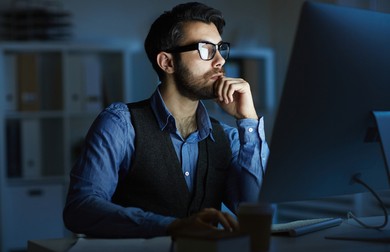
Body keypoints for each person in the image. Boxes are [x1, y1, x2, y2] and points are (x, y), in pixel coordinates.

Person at [63, 1, 269, 238]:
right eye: (206, 49)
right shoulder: (120, 124)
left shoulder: (229, 137)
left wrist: (248, 120)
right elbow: (80, 209)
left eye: (220, 48)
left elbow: (257, 211)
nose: (220, 60)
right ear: (167, 62)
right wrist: (170, 227)